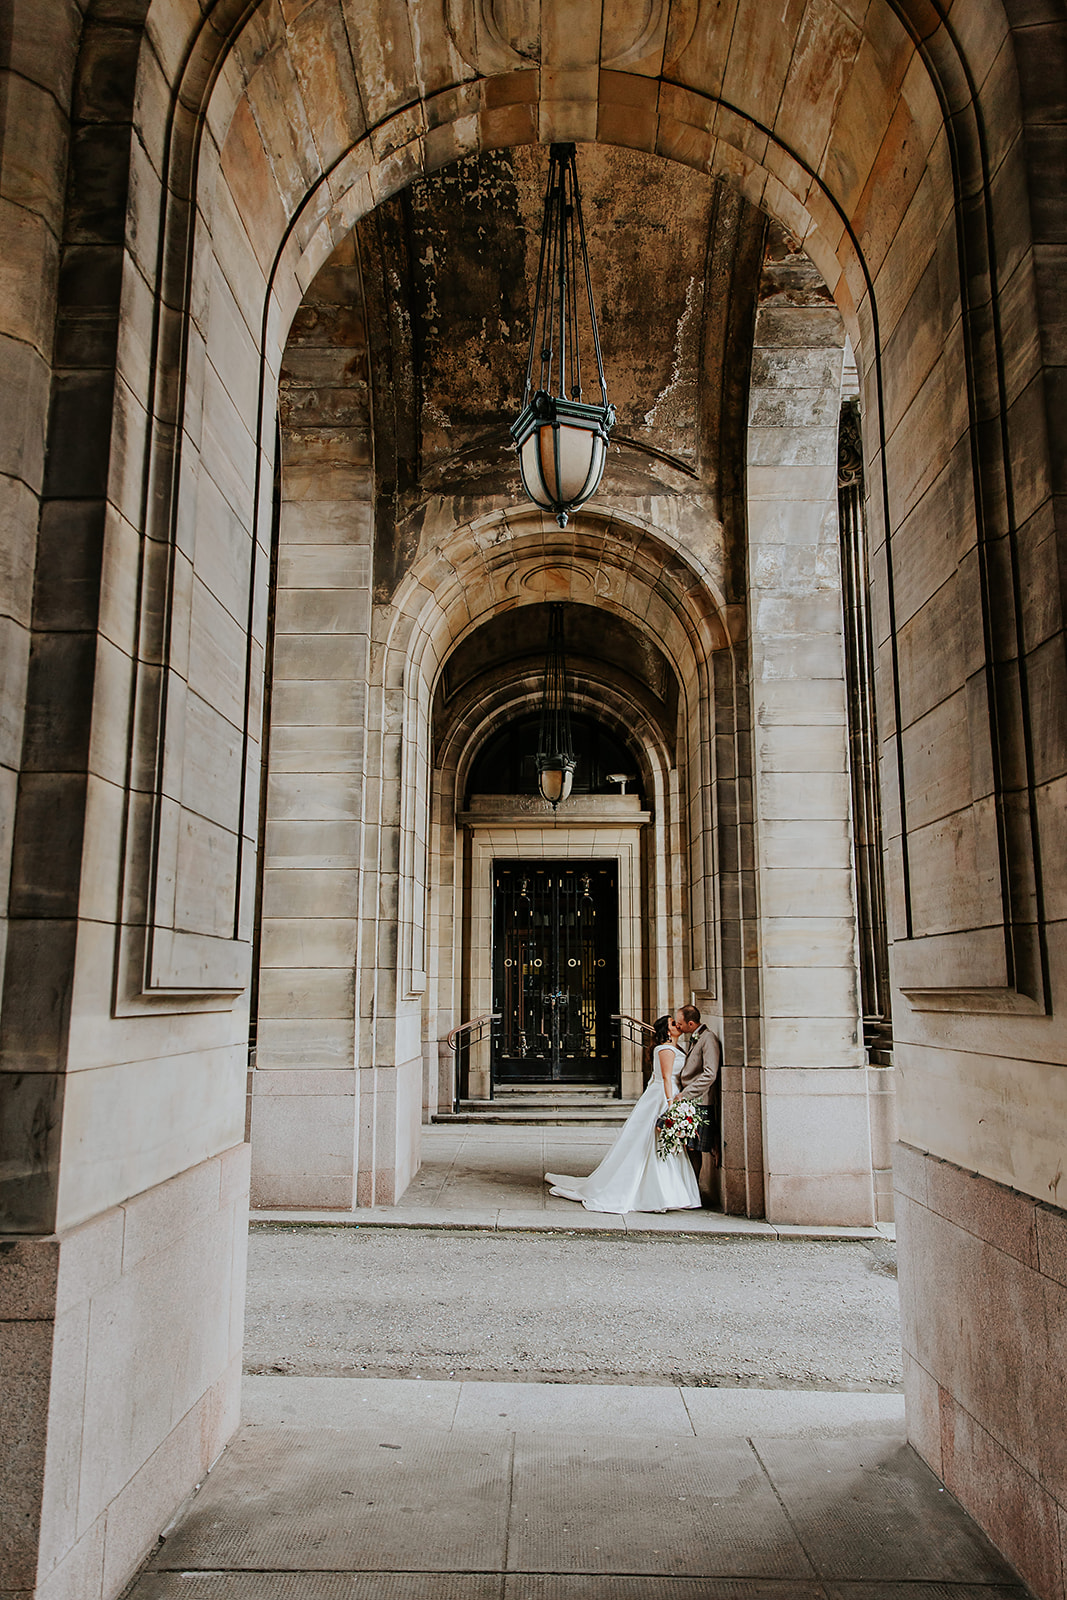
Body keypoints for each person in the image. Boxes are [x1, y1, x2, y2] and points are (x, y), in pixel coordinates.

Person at [545, 1016, 701, 1213]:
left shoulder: (676, 1048)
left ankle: (667, 1192)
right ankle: (656, 1193)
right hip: (663, 1097)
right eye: (672, 1023)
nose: (677, 1025)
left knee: (657, 1143)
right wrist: (671, 1105)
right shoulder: (666, 1049)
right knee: (651, 1142)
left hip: (663, 1095)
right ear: (667, 1031)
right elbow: (665, 1079)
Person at [674, 1003, 721, 1204]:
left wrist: (686, 1094)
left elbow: (710, 1073)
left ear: (691, 1024)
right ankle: (689, 1190)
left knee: (694, 1148)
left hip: (699, 1101)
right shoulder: (696, 1037)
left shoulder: (708, 1039)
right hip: (691, 1101)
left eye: (680, 1023)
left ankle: (692, 1191)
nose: (678, 1027)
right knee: (689, 1147)